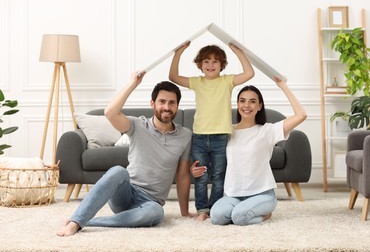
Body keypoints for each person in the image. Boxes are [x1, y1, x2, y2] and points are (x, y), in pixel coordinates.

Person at [57, 72, 196, 236]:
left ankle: (90, 221)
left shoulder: (185, 135)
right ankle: (76, 221)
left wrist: (185, 212)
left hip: (151, 202)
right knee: (118, 170)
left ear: (177, 106)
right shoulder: (138, 125)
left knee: (157, 213)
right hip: (126, 193)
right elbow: (110, 112)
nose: (166, 107)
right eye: (162, 102)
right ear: (152, 103)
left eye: (172, 103)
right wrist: (133, 84)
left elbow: (182, 176)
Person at [191, 77, 307, 226]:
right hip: (233, 194)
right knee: (217, 217)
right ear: (238, 104)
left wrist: (283, 86)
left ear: (259, 106)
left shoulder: (267, 131)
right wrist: (193, 169)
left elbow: (301, 115)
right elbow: (212, 158)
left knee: (240, 217)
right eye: (242, 100)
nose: (247, 105)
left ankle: (265, 213)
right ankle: (243, 210)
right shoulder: (226, 131)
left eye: (252, 101)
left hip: (262, 194)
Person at [169, 42, 255, 221]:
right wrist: (179, 52)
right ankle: (202, 210)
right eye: (206, 61)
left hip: (221, 137)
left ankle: (214, 209)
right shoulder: (197, 82)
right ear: (200, 64)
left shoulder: (226, 81)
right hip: (199, 137)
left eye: (215, 61)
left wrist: (237, 51)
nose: (210, 65)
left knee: (218, 176)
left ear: (222, 65)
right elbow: (173, 76)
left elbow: (249, 73)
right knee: (201, 175)